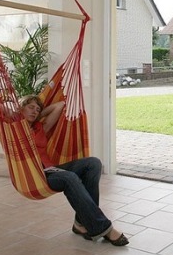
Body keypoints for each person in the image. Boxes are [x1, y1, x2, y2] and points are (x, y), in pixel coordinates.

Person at [19, 95, 129, 246]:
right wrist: (22, 113)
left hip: (51, 170)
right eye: (31, 107)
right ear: (21, 108)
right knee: (69, 177)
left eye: (37, 109)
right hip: (36, 175)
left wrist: (38, 115)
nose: (34, 111)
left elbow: (59, 105)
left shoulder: (40, 128)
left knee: (93, 163)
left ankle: (80, 223)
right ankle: (103, 228)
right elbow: (4, 111)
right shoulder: (14, 129)